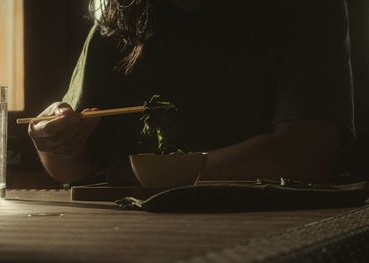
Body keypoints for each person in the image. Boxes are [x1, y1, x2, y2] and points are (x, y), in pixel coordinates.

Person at [29, 0, 355, 185]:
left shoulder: (304, 9)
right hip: (133, 228)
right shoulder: (123, 13)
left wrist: (153, 174)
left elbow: (307, 154)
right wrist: (54, 140)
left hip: (274, 227)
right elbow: (75, 167)